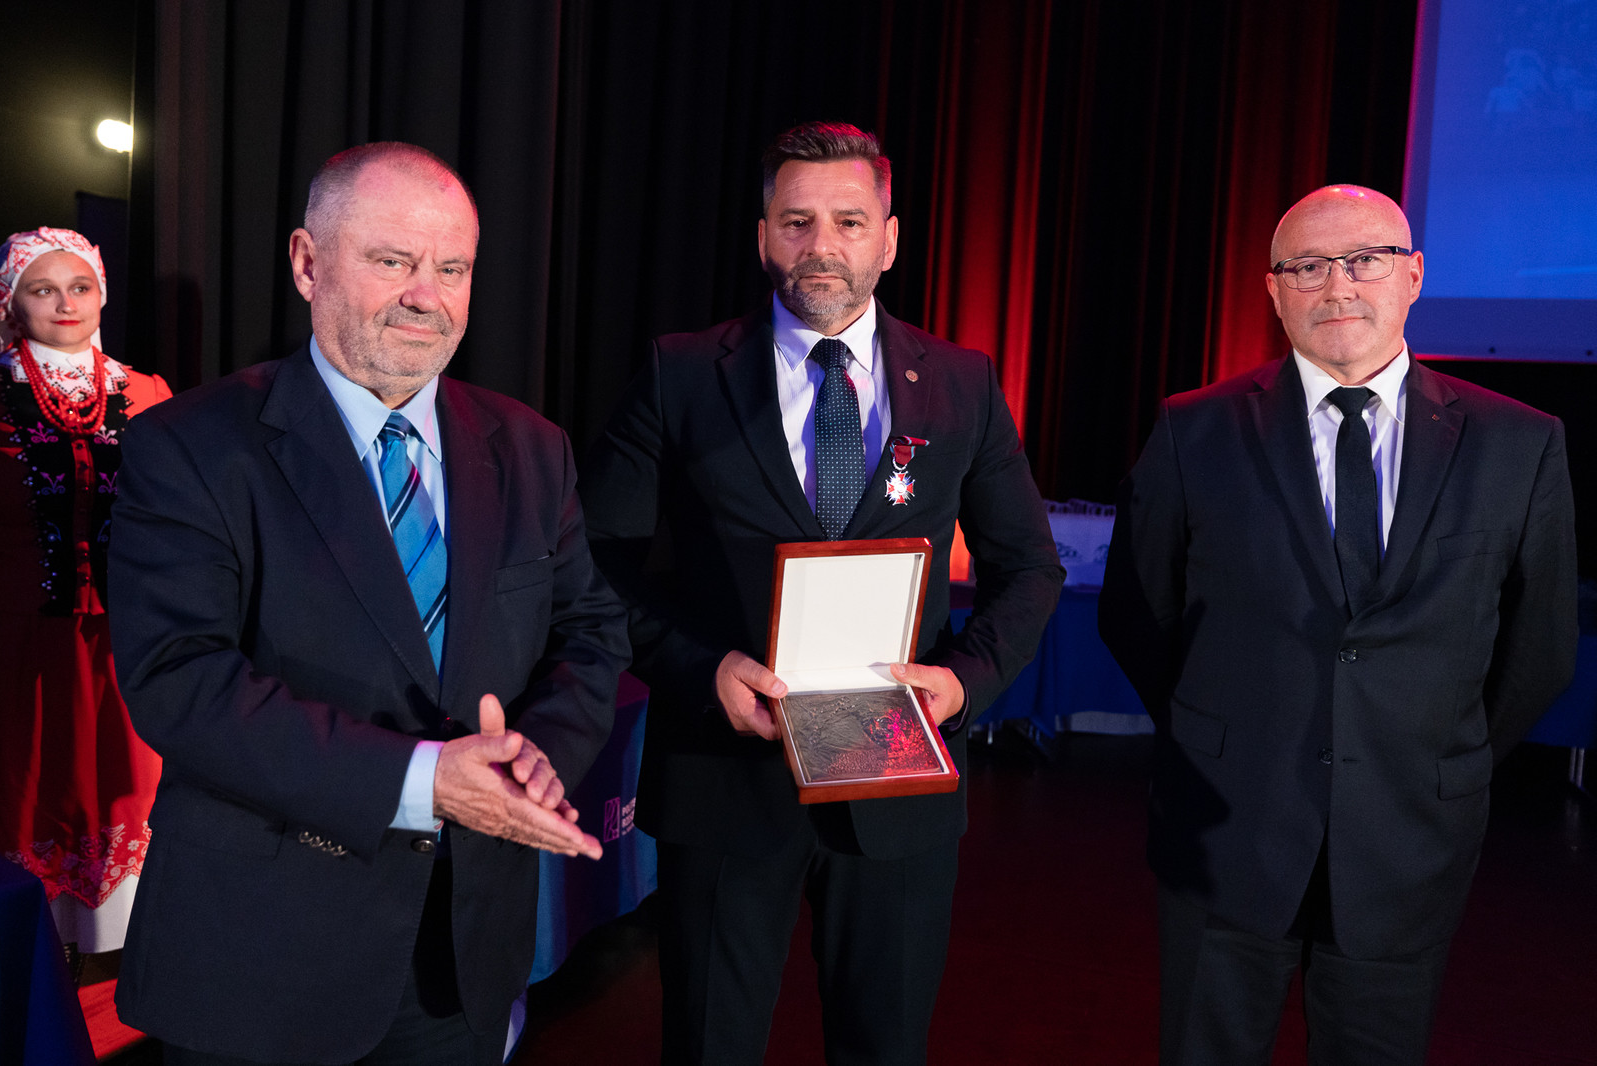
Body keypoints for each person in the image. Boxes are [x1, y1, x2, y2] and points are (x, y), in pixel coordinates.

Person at [106, 143, 630, 1065]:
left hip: (460, 959)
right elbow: (179, 682)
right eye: (393, 261)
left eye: (452, 269)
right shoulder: (189, 446)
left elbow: (588, 633)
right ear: (308, 263)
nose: (427, 296)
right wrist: (423, 781)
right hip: (260, 963)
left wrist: (532, 757)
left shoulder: (531, 447)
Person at [580, 121, 1064, 1065]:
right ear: (763, 235)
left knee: (884, 1048)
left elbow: (1030, 568)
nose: (822, 245)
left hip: (898, 781)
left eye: (849, 221)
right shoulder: (683, 374)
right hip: (725, 778)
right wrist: (702, 668)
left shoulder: (961, 383)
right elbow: (595, 560)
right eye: (796, 221)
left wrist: (962, 683)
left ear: (890, 238)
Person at [1098, 185, 1578, 1066]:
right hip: (1223, 829)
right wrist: (1218, 733)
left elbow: (1539, 647)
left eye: (1365, 260)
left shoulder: (1519, 442)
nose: (1338, 286)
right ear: (1274, 291)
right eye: (1308, 267)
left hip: (1409, 837)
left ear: (1414, 275)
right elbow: (1137, 612)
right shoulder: (1192, 430)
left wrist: (1435, 752)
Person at [0, 227, 170, 972]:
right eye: (44, 289)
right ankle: (34, 951)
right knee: (28, 779)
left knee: (126, 779)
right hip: (17, 640)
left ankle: (119, 950)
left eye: (81, 287)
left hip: (123, 636)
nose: (65, 303)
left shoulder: (147, 392)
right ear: (11, 302)